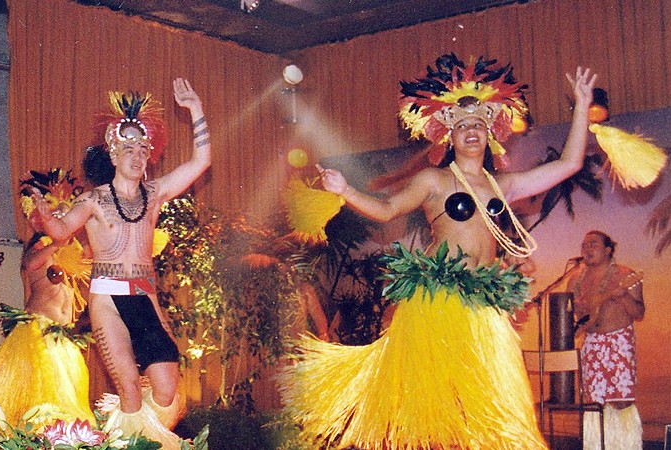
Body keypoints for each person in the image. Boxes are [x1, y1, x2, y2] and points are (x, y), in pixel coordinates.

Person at [278, 54, 596, 449]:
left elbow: (569, 163)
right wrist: (346, 191)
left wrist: (581, 107)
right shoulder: (435, 180)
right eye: (462, 126)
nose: (471, 132)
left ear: (490, 133)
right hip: (440, 301)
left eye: (478, 124)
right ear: (450, 136)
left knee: (493, 402)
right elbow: (388, 209)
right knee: (438, 403)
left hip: (486, 305)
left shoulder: (504, 185)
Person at [32, 79, 211, 448]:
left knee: (165, 391)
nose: (137, 155)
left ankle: (137, 436)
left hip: (145, 296)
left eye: (143, 149)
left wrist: (196, 110)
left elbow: (201, 161)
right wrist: (46, 216)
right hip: (108, 300)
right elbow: (63, 229)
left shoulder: (156, 192)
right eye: (128, 148)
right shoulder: (95, 199)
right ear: (113, 156)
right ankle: (130, 439)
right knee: (129, 388)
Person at [0, 169, 95, 427]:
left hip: (64, 336)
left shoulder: (71, 253)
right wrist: (58, 241)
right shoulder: (37, 247)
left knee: (65, 399)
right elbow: (32, 264)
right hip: (38, 332)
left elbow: (92, 254)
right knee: (39, 398)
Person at [567, 230, 644, 450]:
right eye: (584, 245)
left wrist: (625, 297)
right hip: (591, 344)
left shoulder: (626, 275)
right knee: (594, 403)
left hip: (619, 342)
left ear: (608, 249)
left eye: (593, 244)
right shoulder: (574, 280)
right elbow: (575, 316)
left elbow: (638, 312)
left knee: (620, 401)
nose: (587, 248)